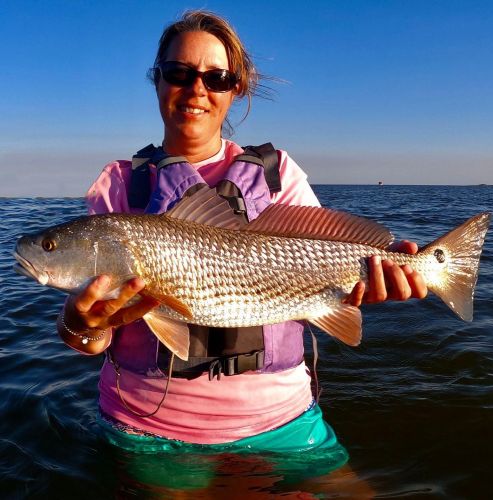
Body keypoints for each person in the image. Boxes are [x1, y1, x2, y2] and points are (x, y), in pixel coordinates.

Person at [57, 8, 427, 486]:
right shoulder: (118, 186)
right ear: (157, 80)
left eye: (217, 77)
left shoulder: (279, 174)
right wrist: (80, 323)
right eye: (178, 73)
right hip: (149, 426)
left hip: (282, 422)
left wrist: (377, 280)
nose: (196, 90)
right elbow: (87, 340)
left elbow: (330, 258)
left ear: (237, 89)